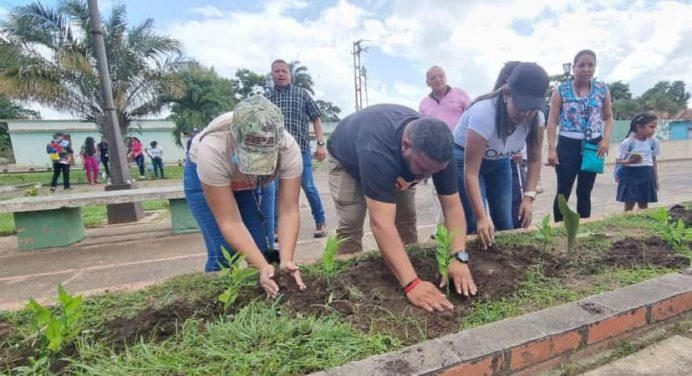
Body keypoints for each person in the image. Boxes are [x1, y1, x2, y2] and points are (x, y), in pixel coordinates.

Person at [327, 104, 477, 312]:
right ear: (405, 146)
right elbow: (380, 223)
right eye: (423, 170)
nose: (426, 177)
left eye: (433, 173)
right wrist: (412, 284)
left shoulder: (438, 153)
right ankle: (349, 278)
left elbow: (452, 206)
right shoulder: (378, 147)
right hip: (348, 161)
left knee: (406, 219)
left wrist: (457, 256)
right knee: (352, 221)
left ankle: (405, 264)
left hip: (396, 163)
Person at [184, 95, 305, 297]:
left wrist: (286, 260)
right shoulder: (213, 149)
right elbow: (229, 221)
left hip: (244, 185)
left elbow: (288, 210)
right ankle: (216, 304)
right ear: (235, 139)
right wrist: (260, 265)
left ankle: (263, 293)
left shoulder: (288, 148)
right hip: (209, 177)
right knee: (224, 252)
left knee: (258, 249)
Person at [454, 62, 548, 248]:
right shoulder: (483, 114)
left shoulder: (536, 118)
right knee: (474, 221)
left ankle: (506, 264)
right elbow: (471, 173)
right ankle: (472, 264)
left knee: (505, 220)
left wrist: (529, 198)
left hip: (499, 160)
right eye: (522, 107)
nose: (526, 114)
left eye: (532, 108)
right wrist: (482, 217)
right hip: (463, 159)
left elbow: (535, 160)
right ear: (506, 94)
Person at [547, 49, 614, 221]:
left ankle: (584, 226)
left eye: (590, 65)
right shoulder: (561, 90)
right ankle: (559, 229)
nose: (586, 69)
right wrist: (552, 150)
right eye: (582, 65)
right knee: (563, 191)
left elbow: (608, 117)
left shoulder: (602, 89)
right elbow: (552, 122)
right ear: (574, 67)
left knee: (585, 191)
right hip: (567, 145)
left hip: (593, 145)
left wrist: (606, 139)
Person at [266, 59, 327, 238]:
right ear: (272, 75)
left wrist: (320, 145)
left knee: (308, 187)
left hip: (301, 150)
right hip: (274, 154)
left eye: (284, 71)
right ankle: (276, 228)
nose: (280, 74)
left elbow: (316, 119)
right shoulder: (266, 98)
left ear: (289, 74)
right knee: (275, 190)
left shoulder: (302, 94)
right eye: (276, 71)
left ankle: (320, 222)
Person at [419, 66, 471, 231]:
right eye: (433, 78)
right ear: (428, 83)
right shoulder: (424, 104)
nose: (438, 80)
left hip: (461, 149)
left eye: (440, 76)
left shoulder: (459, 94)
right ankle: (442, 227)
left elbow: (471, 117)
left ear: (446, 77)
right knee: (438, 191)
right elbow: (421, 129)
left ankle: (467, 225)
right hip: (437, 153)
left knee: (465, 188)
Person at [615, 112, 660, 211]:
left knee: (644, 205)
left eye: (655, 127)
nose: (654, 130)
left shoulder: (653, 142)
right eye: (651, 127)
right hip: (630, 175)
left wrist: (656, 179)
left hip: (647, 175)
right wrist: (629, 162)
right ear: (639, 127)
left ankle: (641, 223)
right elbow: (618, 160)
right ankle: (627, 224)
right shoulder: (628, 142)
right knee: (629, 205)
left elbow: (654, 161)